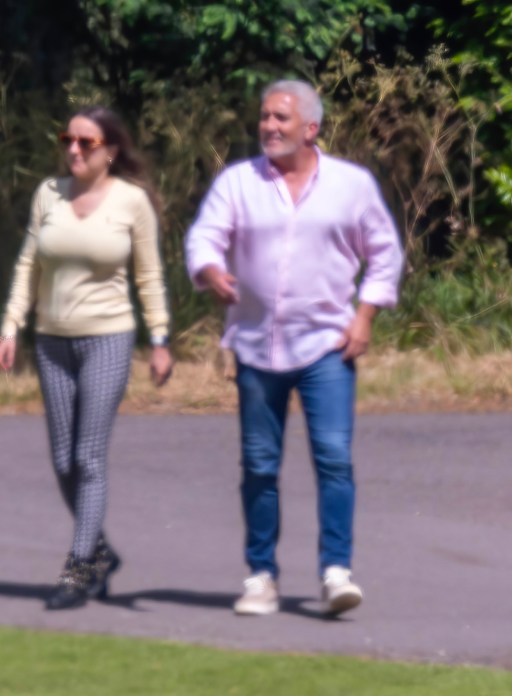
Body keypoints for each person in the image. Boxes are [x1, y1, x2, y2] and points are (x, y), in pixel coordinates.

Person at [185, 80, 403, 616]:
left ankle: (336, 573)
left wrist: (366, 316)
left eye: (281, 118)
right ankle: (261, 577)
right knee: (260, 464)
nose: (269, 127)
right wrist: (210, 269)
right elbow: (203, 237)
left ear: (311, 128)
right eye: (264, 117)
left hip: (328, 344)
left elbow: (385, 253)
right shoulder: (239, 182)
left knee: (333, 459)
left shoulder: (351, 185)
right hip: (257, 346)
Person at [0, 106, 173, 610]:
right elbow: (29, 264)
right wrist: (11, 326)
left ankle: (77, 569)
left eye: (86, 143)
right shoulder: (48, 194)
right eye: (67, 139)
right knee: (61, 459)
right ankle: (98, 552)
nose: (73, 149)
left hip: (109, 339)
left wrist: (160, 339)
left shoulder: (131, 202)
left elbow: (149, 276)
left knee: (88, 456)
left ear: (110, 151)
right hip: (51, 341)